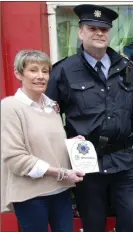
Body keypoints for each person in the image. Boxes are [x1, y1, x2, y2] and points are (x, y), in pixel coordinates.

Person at [45, 4, 133, 232]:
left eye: (104, 29)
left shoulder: (126, 68)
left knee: (131, 224)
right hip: (87, 164)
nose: (99, 33)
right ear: (80, 32)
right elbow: (49, 120)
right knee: (93, 225)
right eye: (92, 28)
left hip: (123, 161)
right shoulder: (64, 71)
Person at [1, 50, 85, 232]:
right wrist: (61, 173)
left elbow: (43, 145)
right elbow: (16, 158)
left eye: (45, 71)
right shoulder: (10, 107)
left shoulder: (51, 106)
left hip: (60, 191)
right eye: (33, 70)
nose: (40, 76)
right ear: (18, 74)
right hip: (31, 196)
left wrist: (72, 144)